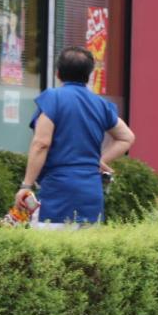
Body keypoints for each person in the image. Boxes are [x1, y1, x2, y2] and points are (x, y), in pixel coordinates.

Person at [14, 46, 135, 225]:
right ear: (89, 75)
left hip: (58, 191)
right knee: (85, 251)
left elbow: (41, 143)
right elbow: (127, 137)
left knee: (51, 248)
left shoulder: (53, 98)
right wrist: (99, 161)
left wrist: (26, 186)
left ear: (58, 73)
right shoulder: (101, 104)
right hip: (91, 193)